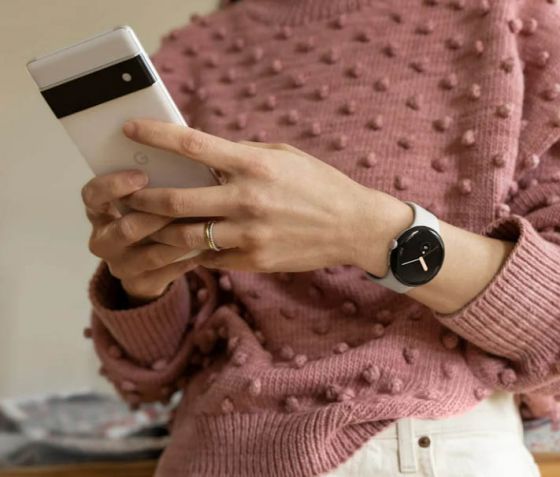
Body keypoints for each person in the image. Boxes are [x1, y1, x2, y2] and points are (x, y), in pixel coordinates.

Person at [80, 0, 560, 475]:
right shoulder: (191, 54)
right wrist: (139, 285)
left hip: (417, 445)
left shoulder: (511, 17)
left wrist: (365, 229)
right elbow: (149, 379)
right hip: (207, 454)